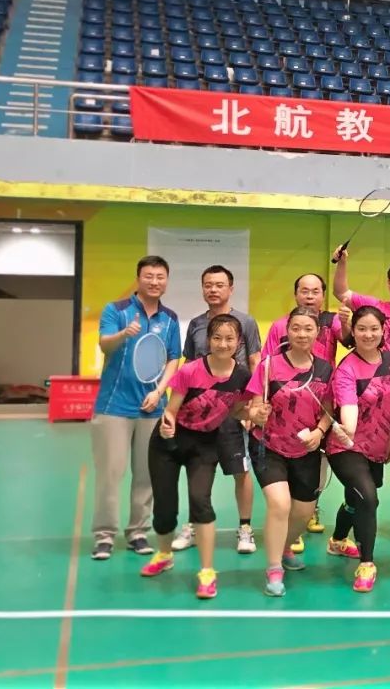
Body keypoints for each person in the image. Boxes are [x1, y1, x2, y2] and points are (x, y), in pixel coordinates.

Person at [140, 314, 252, 599]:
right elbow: (171, 410)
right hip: (169, 441)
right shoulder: (190, 370)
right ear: (208, 340)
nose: (223, 344)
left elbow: (236, 410)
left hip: (205, 445)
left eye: (229, 338)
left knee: (200, 501)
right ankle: (164, 554)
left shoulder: (242, 376)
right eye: (217, 338)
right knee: (165, 507)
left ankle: (207, 571)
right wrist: (167, 426)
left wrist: (253, 413)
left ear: (238, 342)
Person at [90, 255, 182, 561]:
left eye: (160, 277)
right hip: (114, 406)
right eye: (148, 276)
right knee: (110, 474)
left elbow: (174, 358)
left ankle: (137, 532)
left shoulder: (170, 318)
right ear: (138, 278)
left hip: (151, 408)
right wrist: (122, 334)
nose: (154, 281)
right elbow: (104, 344)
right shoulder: (116, 310)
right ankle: (104, 535)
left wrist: (159, 391)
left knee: (146, 475)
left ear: (166, 281)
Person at [334, 250, 390, 542]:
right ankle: (349, 519)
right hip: (376, 396)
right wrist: (343, 262)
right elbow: (341, 292)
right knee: (365, 478)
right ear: (389, 283)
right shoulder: (375, 308)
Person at [173, 265, 262, 556]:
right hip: (198, 412)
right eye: (208, 284)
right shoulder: (196, 324)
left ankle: (245, 528)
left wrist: (254, 405)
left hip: (232, 407)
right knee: (198, 470)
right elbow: (188, 365)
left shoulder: (246, 322)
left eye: (219, 284)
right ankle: (193, 525)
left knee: (241, 470)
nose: (213, 289)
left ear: (230, 289)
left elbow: (255, 362)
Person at [246, 306, 334, 597]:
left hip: (306, 449)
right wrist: (257, 413)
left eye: (308, 328)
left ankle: (284, 547)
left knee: (304, 512)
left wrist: (320, 431)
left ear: (317, 332)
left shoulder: (325, 369)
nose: (302, 334)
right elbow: (253, 407)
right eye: (296, 328)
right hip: (268, 446)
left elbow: (328, 409)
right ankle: (274, 569)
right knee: (280, 504)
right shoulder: (269, 366)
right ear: (287, 331)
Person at [262, 273, 352, 551]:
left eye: (315, 291)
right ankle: (290, 522)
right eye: (304, 291)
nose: (309, 296)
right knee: (285, 463)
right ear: (296, 294)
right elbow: (266, 363)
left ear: (323, 296)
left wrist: (346, 322)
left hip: (319, 401)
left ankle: (308, 509)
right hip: (286, 403)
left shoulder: (332, 322)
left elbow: (350, 340)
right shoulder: (281, 326)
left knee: (316, 459)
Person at [327, 306, 390, 592]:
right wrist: (348, 427)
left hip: (378, 444)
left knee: (355, 499)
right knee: (368, 499)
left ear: (383, 331)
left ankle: (337, 540)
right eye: (361, 329)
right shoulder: (346, 369)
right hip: (346, 446)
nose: (368, 334)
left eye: (374, 329)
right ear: (353, 332)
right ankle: (367, 563)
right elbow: (348, 406)